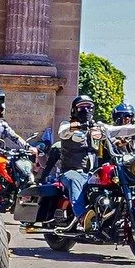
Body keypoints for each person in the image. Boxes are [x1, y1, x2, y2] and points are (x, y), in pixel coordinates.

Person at [44, 95, 99, 227]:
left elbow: (114, 131)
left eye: (89, 107)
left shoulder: (96, 127)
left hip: (91, 173)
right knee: (75, 179)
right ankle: (82, 217)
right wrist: (78, 126)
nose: (86, 110)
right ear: (74, 110)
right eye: (81, 107)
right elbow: (62, 132)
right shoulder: (67, 125)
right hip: (70, 171)